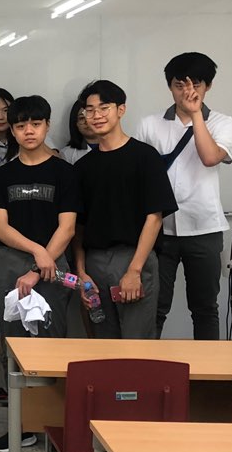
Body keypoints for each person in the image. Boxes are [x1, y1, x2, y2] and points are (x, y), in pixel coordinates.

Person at [0, 96, 81, 452]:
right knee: (13, 345)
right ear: (12, 130)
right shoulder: (1, 176)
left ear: (46, 125)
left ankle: (55, 429)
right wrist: (36, 253)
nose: (29, 131)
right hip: (10, 263)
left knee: (51, 345)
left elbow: (67, 227)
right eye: (21, 125)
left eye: (36, 124)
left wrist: (41, 264)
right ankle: (20, 426)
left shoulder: (64, 172)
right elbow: (0, 227)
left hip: (52, 266)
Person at [135, 52, 232, 340]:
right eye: (179, 85)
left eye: (196, 85)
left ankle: (209, 367)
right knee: (154, 307)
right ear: (170, 86)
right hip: (159, 230)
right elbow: (137, 177)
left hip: (204, 227)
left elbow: (210, 157)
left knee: (205, 308)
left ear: (208, 86)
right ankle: (147, 364)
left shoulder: (223, 122)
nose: (187, 92)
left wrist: (195, 115)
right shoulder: (149, 124)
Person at [73, 80, 178, 339]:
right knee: (103, 340)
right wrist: (81, 272)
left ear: (121, 110)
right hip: (95, 262)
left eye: (104, 108)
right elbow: (79, 226)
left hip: (134, 258)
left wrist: (135, 270)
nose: (96, 115)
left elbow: (154, 218)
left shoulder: (145, 157)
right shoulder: (83, 167)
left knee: (136, 342)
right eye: (90, 110)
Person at [59, 99, 99, 165]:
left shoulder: (114, 146)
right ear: (75, 123)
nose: (87, 122)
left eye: (91, 116)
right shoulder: (67, 154)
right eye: (82, 118)